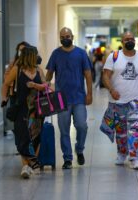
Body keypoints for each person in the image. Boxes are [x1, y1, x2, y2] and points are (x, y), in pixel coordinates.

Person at [100, 31, 138, 170]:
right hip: (117, 102)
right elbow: (105, 76)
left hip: (136, 101)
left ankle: (135, 158)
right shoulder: (114, 56)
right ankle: (121, 153)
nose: (129, 41)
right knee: (121, 131)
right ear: (122, 41)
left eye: (132, 39)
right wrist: (111, 90)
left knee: (135, 130)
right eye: (126, 39)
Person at [45, 27, 93, 169]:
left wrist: (89, 93)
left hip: (78, 97)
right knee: (64, 130)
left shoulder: (81, 53)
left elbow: (88, 74)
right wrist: (45, 86)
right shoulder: (56, 54)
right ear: (60, 38)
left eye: (68, 36)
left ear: (73, 36)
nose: (65, 38)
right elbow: (49, 74)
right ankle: (67, 158)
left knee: (81, 126)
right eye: (62, 36)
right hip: (61, 99)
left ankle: (79, 149)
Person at [1, 46, 47, 179]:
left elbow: (46, 86)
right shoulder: (17, 70)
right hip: (22, 109)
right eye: (35, 54)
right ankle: (27, 165)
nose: (38, 57)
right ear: (30, 56)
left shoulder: (39, 70)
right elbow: (6, 84)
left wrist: (37, 86)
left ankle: (31, 164)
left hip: (37, 109)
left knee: (36, 137)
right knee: (23, 137)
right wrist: (4, 98)